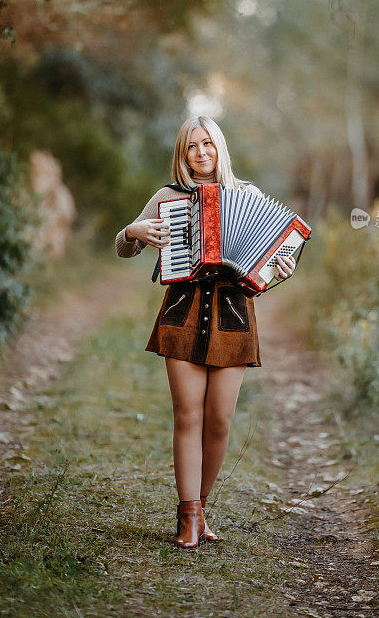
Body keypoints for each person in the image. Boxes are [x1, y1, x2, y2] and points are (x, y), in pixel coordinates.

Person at [115, 115, 296, 549]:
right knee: (188, 416)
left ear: (220, 149)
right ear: (183, 153)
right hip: (182, 314)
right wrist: (132, 231)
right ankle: (188, 516)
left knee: (219, 421)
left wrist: (280, 270)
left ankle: (202, 507)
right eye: (192, 146)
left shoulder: (246, 196)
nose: (201, 153)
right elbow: (124, 247)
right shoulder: (168, 197)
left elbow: (266, 270)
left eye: (208, 144)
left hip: (232, 319)